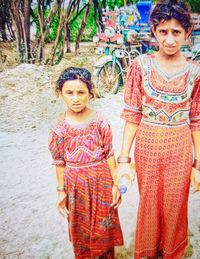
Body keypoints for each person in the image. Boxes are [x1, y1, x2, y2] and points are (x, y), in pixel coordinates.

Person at [114, 0, 200, 258]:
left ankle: (172, 252)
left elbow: (196, 119)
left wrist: (198, 163)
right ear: (153, 32)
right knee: (149, 204)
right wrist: (123, 160)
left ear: (187, 33)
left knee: (175, 206)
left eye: (176, 32)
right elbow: (132, 115)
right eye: (163, 31)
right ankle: (148, 252)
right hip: (148, 148)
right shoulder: (140, 66)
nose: (170, 39)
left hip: (180, 149)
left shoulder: (195, 72)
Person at [48, 67, 123, 259]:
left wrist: (116, 184)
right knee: (81, 233)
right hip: (75, 188)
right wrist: (61, 191)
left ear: (90, 93)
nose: (75, 98)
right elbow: (59, 162)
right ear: (60, 94)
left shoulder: (100, 122)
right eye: (69, 93)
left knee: (104, 230)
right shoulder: (58, 127)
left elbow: (109, 154)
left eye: (81, 92)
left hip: (102, 184)